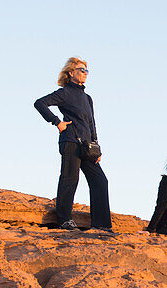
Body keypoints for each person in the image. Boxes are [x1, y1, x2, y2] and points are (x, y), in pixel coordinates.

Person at [33, 57, 112, 231]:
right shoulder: (65, 93)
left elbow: (92, 123)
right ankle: (64, 219)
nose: (85, 73)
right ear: (71, 73)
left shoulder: (87, 98)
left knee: (100, 181)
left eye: (86, 70)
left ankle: (102, 225)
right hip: (70, 142)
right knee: (70, 179)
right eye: (81, 70)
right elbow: (40, 103)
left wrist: (96, 146)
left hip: (86, 147)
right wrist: (56, 122)